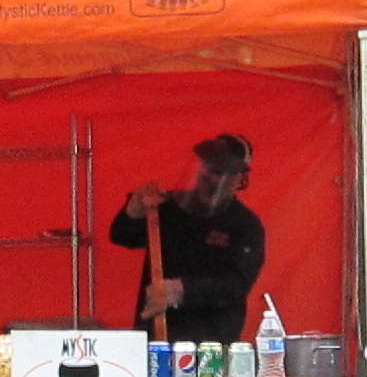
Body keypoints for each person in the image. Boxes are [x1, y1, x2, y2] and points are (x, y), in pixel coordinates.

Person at [109, 133, 265, 344]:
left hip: (211, 342)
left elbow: (236, 285)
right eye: (207, 168)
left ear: (239, 179)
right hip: (158, 336)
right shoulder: (167, 208)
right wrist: (133, 211)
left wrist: (181, 290)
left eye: (220, 173)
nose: (211, 179)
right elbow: (122, 236)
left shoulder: (245, 225)